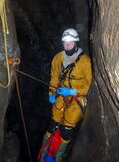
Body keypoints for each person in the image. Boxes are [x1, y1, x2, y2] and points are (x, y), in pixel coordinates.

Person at [39, 28, 92, 162]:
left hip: (77, 99)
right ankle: (45, 154)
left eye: (70, 43)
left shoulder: (85, 62)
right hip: (61, 96)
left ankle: (58, 157)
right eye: (65, 43)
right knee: (52, 125)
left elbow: (88, 84)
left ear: (76, 43)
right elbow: (54, 77)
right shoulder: (58, 58)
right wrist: (52, 92)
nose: (67, 45)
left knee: (67, 129)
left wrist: (73, 91)